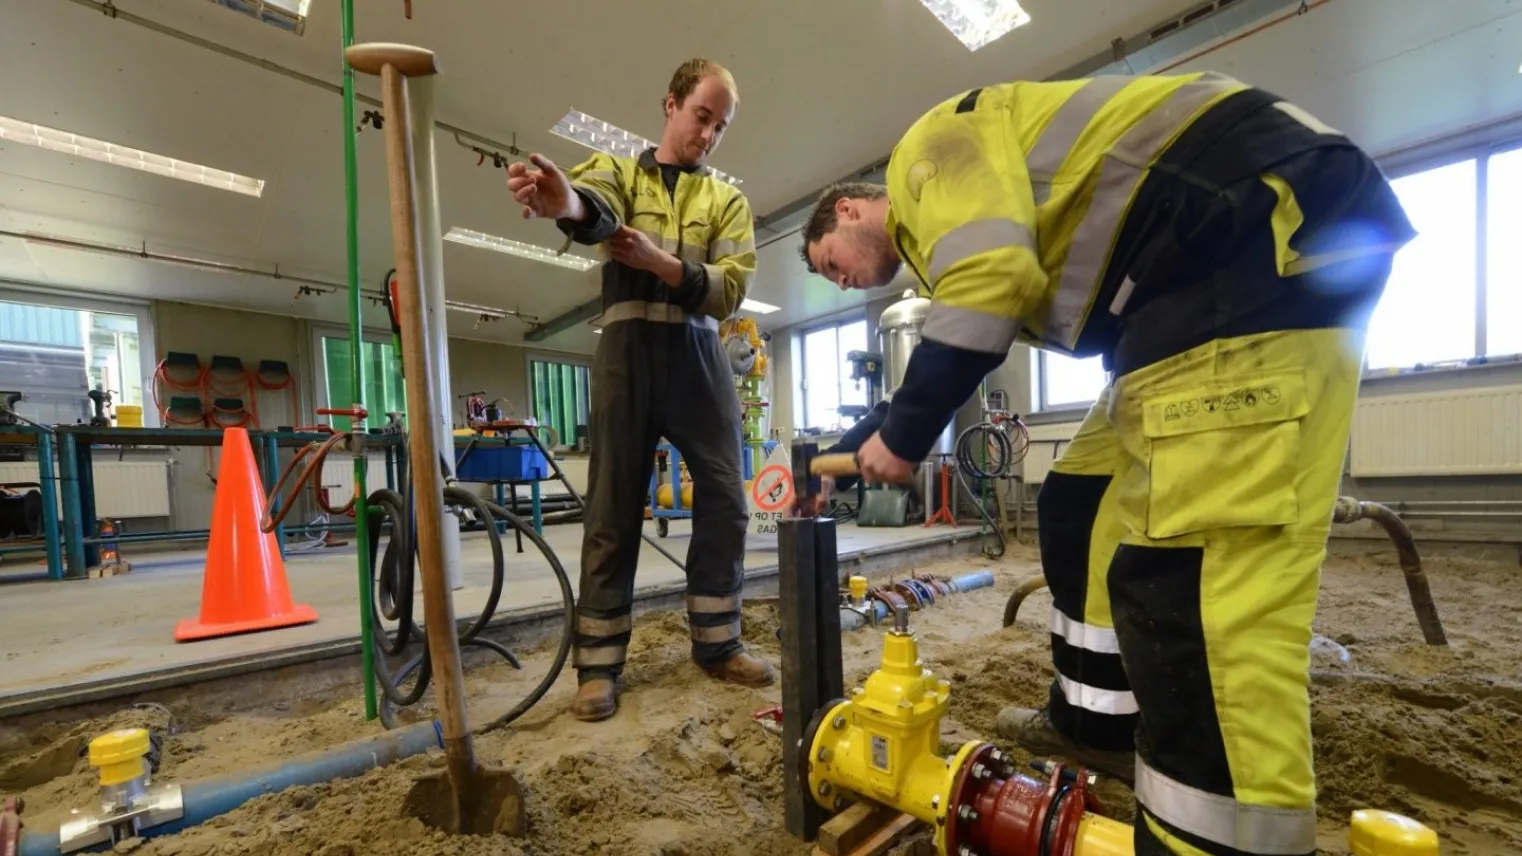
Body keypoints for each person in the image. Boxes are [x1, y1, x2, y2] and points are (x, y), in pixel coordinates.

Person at [796, 71, 1414, 856]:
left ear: (848, 210)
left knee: (1198, 595)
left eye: (828, 261)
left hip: (1244, 247)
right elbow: (967, 330)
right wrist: (859, 444)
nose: (839, 279)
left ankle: (1216, 841)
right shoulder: (947, 236)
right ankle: (1095, 725)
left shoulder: (926, 155)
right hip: (1176, 294)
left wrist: (906, 433)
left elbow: (993, 285)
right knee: (1081, 501)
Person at [507, 58, 774, 723]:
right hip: (626, 347)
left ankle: (717, 643)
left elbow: (730, 286)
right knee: (613, 504)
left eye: (721, 127)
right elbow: (590, 207)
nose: (708, 135)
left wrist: (662, 263)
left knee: (724, 494)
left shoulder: (727, 201)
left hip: (695, 349)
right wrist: (562, 200)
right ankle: (598, 666)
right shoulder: (620, 169)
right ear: (671, 105)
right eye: (701, 117)